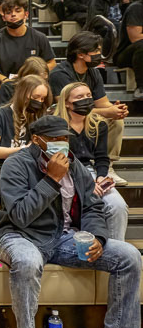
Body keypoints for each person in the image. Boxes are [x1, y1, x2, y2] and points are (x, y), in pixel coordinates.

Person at [0, 116, 143, 328]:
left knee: (129, 255)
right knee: (27, 262)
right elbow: (21, 215)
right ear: (37, 141)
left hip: (62, 237)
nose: (61, 144)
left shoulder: (75, 166)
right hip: (19, 235)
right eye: (54, 139)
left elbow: (94, 206)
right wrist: (51, 179)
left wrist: (98, 237)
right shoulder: (15, 165)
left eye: (65, 138)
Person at [49, 32, 129, 185]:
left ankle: (108, 166)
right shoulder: (59, 74)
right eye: (96, 51)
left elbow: (103, 103)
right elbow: (65, 108)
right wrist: (107, 111)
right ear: (80, 54)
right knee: (105, 116)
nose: (100, 54)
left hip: (87, 116)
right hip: (66, 118)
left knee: (116, 120)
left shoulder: (93, 72)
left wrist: (116, 110)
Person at [54, 83, 129, 241]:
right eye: (79, 97)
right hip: (64, 173)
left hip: (90, 171)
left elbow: (102, 158)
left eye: (88, 96)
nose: (86, 100)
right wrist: (86, 183)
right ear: (67, 102)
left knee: (117, 205)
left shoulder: (98, 123)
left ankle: (116, 250)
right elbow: (60, 160)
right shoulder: (57, 125)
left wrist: (101, 177)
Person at [0, 75, 52, 203]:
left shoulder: (38, 118)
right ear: (22, 93)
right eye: (35, 97)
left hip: (26, 172)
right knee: (25, 197)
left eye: (42, 99)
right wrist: (24, 149)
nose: (39, 102)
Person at [0, 0, 55, 83]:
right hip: (5, 84)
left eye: (18, 11)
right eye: (8, 12)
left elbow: (51, 63)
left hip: (33, 83)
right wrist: (4, 79)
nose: (13, 14)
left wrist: (36, 76)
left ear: (26, 14)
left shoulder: (39, 37)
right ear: (3, 17)